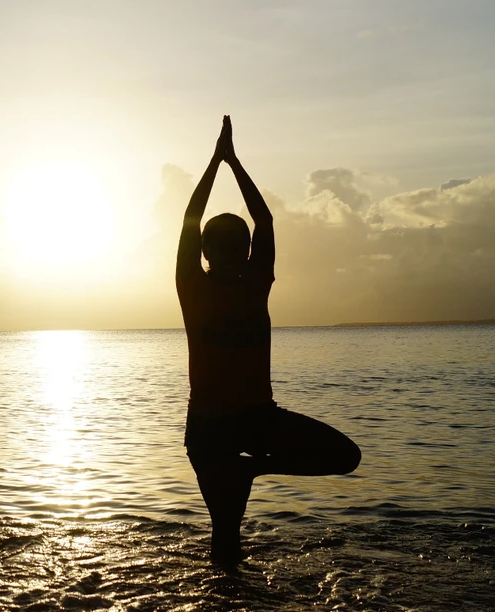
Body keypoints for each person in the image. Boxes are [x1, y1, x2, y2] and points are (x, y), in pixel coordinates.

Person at [177, 116, 361, 566]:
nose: (229, 256)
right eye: (220, 248)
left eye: (237, 248)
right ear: (205, 252)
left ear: (247, 252)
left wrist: (233, 162)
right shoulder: (192, 287)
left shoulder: (256, 283)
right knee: (225, 532)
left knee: (345, 456)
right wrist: (215, 162)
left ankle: (254, 468)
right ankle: (228, 590)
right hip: (208, 428)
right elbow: (190, 219)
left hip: (258, 418)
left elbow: (264, 219)